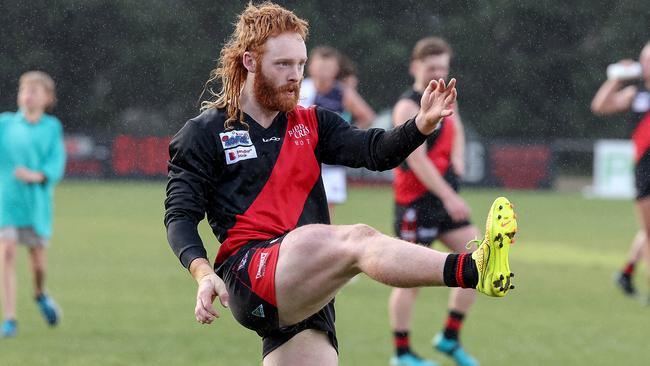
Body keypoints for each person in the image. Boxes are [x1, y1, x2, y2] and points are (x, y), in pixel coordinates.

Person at [164, 3, 517, 365]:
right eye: (283, 64)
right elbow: (179, 216)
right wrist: (202, 272)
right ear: (250, 62)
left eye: (300, 64)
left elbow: (375, 151)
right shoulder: (203, 133)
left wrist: (420, 125)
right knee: (357, 240)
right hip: (251, 274)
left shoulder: (313, 122)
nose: (295, 75)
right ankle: (474, 268)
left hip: (306, 288)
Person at [388, 37, 480, 366]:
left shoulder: (445, 97)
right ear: (415, 67)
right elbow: (417, 160)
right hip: (416, 203)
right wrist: (449, 195)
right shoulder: (408, 106)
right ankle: (402, 354)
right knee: (409, 279)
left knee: (481, 261)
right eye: (431, 68)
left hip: (443, 202)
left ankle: (449, 337)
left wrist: (458, 159)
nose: (437, 73)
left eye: (442, 67)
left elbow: (456, 126)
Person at [0, 71, 66, 337]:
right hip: (7, 201)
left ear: (47, 98)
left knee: (37, 262)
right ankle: (10, 318)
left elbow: (56, 161)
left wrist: (38, 175)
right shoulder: (5, 124)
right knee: (6, 253)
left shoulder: (51, 128)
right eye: (24, 89)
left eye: (34, 90)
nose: (27, 94)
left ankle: (39, 294)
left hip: (36, 203)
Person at [592, 41, 650, 300]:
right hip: (646, 170)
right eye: (645, 60)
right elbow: (600, 106)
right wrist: (616, 78)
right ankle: (628, 273)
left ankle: (627, 272)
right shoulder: (634, 93)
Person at [299, 46, 375, 217]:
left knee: (325, 210)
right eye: (320, 67)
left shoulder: (342, 92)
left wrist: (346, 136)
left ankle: (322, 240)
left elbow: (367, 116)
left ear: (336, 70)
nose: (324, 72)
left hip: (331, 162)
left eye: (328, 68)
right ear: (310, 67)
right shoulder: (301, 89)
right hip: (302, 156)